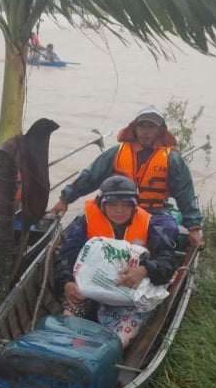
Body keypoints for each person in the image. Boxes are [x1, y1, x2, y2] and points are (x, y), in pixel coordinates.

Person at [49, 106, 204, 248]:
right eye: (142, 126)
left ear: (160, 131)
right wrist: (65, 199)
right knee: (81, 226)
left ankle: (147, 264)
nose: (146, 131)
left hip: (152, 212)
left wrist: (194, 227)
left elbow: (185, 193)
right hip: (116, 207)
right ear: (134, 128)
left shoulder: (172, 160)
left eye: (151, 127)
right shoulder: (116, 153)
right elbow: (90, 177)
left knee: (169, 230)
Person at [50, 175, 177, 347]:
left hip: (128, 295)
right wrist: (67, 283)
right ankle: (65, 344)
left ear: (134, 206)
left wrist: (145, 269)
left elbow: (168, 262)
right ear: (102, 205)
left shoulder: (149, 225)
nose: (119, 210)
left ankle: (107, 351)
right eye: (113, 205)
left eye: (125, 205)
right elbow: (66, 256)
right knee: (70, 311)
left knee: (120, 341)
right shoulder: (85, 222)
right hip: (92, 290)